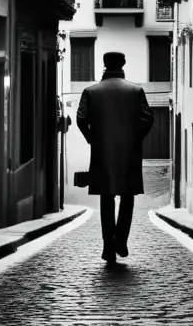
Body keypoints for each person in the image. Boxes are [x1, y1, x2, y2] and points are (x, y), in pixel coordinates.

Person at [76, 51, 154, 263]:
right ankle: (121, 240)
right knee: (127, 197)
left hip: (102, 152)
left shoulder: (90, 92)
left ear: (104, 64)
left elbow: (81, 119)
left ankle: (107, 247)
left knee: (106, 198)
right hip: (130, 152)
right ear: (123, 64)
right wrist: (134, 138)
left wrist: (93, 139)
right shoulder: (136, 91)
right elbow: (147, 119)